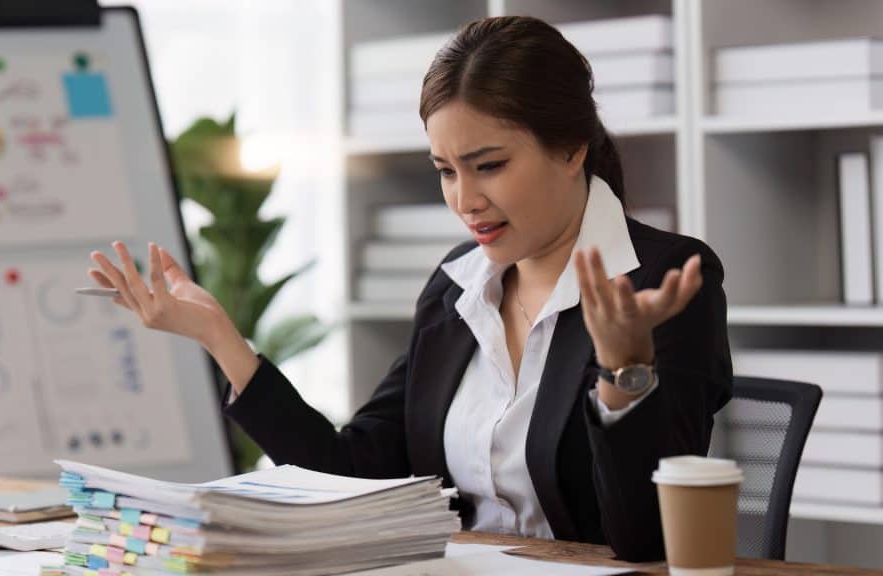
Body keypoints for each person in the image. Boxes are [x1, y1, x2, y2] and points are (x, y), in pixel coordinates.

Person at [87, 15, 732, 562]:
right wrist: (221, 340)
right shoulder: (459, 287)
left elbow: (648, 541)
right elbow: (354, 471)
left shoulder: (664, 280)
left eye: (490, 166)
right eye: (446, 171)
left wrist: (625, 372)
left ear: (571, 149)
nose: (465, 200)